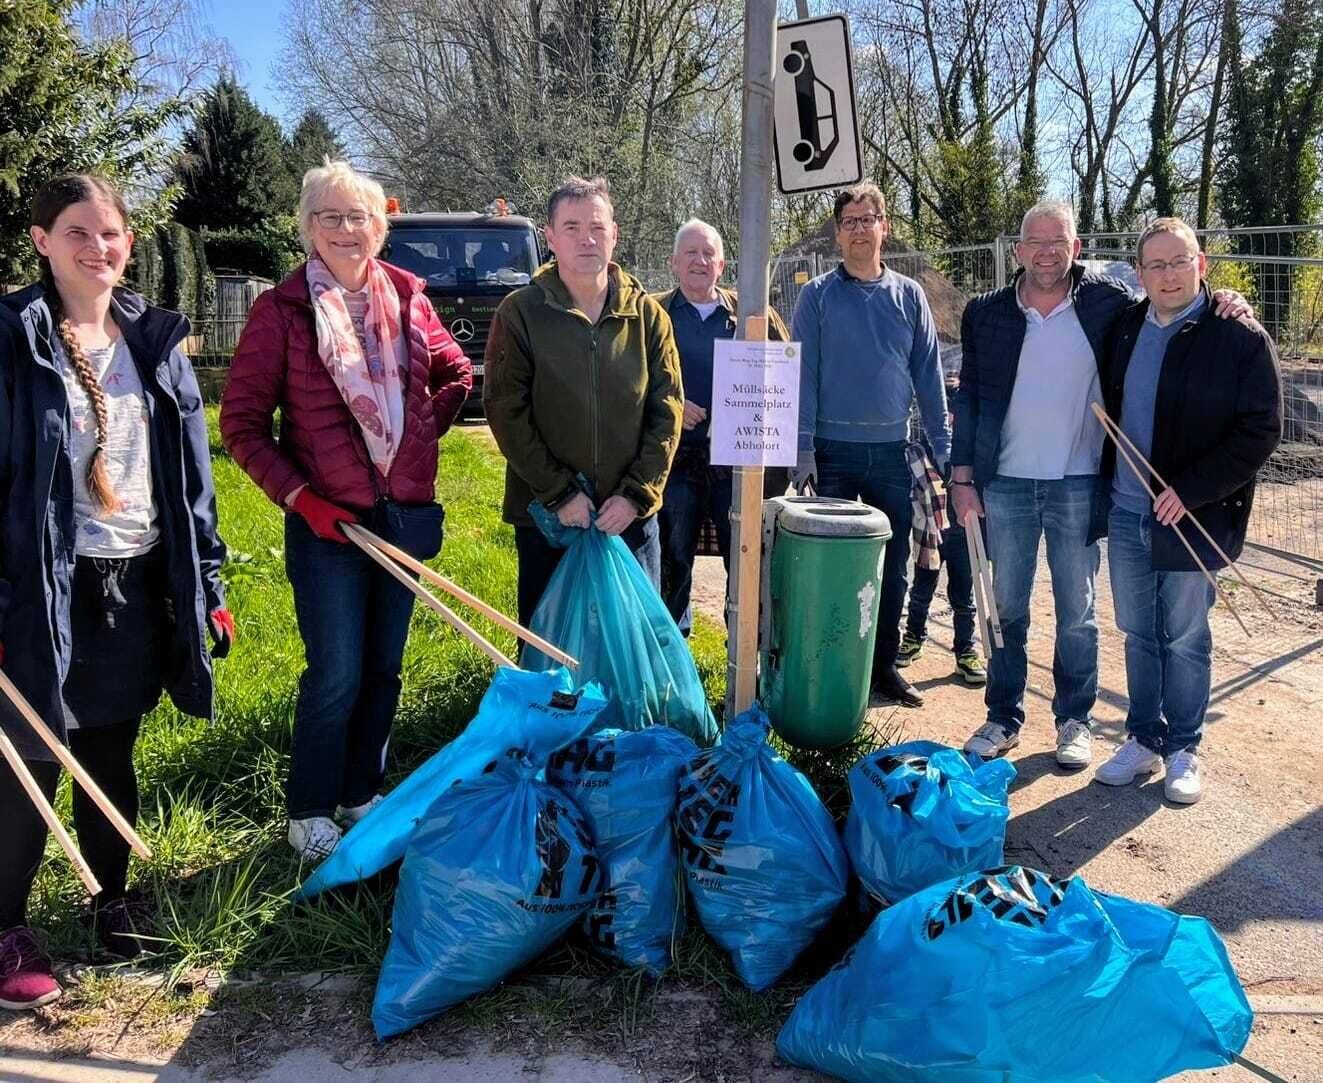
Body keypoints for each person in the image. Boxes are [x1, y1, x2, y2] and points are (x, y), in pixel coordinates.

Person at [0, 174, 231, 1009]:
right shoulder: (12, 337)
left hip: (134, 578)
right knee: (29, 756)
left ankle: (111, 897)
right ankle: (6, 926)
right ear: (41, 241)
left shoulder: (156, 340)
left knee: (109, 746)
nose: (97, 247)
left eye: (110, 233)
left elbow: (193, 478)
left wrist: (207, 581)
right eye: (77, 232)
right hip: (35, 585)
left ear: (128, 243)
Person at [221, 160, 471, 861]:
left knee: (385, 667)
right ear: (307, 227)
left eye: (356, 216)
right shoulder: (282, 311)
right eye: (328, 217)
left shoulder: (408, 297)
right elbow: (241, 426)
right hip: (327, 525)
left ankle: (362, 792)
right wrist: (302, 499)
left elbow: (455, 370)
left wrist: (419, 436)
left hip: (402, 517)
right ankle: (308, 810)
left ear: (378, 227)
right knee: (335, 672)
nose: (344, 229)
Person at [950, 201, 1251, 766]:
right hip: (1005, 483)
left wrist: (1224, 300)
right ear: (1018, 251)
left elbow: (1174, 296)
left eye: (1058, 241)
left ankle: (1074, 719)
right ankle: (1003, 716)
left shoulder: (1107, 304)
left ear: (1077, 248)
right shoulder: (986, 313)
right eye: (1035, 242)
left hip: (1079, 482)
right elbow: (968, 396)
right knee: (1006, 608)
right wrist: (961, 476)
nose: (1046, 253)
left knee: (1078, 613)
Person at [1093, 217, 1281, 803]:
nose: (1169, 275)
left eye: (1180, 262)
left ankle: (1183, 748)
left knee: (1184, 636)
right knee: (1137, 633)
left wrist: (1192, 489)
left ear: (1202, 264)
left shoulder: (1238, 335)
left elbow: (1260, 430)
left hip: (1192, 515)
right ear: (1140, 273)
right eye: (1157, 264)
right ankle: (1143, 739)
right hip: (1127, 509)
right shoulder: (1125, 327)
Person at [483, 176, 683, 627]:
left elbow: (667, 409)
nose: (586, 239)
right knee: (552, 643)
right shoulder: (520, 313)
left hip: (628, 519)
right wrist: (560, 494)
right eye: (571, 228)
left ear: (614, 234)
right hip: (549, 520)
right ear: (550, 238)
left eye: (596, 227)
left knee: (631, 641)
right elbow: (505, 410)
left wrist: (635, 496)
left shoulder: (648, 316)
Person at [791, 182, 951, 707]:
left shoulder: (910, 296)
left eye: (868, 219)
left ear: (885, 227)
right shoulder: (817, 297)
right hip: (830, 455)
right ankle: (829, 665)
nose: (859, 229)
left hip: (890, 454)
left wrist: (944, 447)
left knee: (892, 568)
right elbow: (803, 375)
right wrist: (803, 448)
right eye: (850, 222)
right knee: (830, 566)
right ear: (838, 234)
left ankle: (882, 667)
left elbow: (929, 376)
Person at [651, 218, 789, 635]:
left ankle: (745, 647)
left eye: (708, 253)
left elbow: (783, 379)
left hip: (737, 465)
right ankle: (673, 648)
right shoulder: (653, 314)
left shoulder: (753, 315)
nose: (700, 261)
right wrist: (673, 407)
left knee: (745, 556)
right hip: (675, 459)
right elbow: (630, 382)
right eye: (691, 253)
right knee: (673, 553)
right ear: (674, 262)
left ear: (722, 264)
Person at [899, 373, 984, 686]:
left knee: (964, 595)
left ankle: (965, 651)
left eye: (956, 412)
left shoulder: (972, 449)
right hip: (929, 531)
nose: (950, 419)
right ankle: (913, 638)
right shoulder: (922, 447)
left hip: (963, 530)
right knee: (921, 590)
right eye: (946, 411)